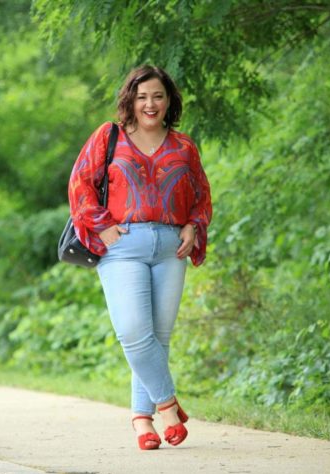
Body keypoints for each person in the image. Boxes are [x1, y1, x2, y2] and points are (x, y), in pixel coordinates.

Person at [68, 65, 212, 450]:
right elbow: (80, 183)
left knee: (157, 337)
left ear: (169, 102)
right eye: (142, 95)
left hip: (169, 249)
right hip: (123, 247)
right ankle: (167, 405)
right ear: (130, 99)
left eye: (158, 96)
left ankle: (141, 421)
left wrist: (193, 225)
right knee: (133, 330)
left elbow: (201, 194)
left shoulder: (183, 146)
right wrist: (100, 225)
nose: (150, 103)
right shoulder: (109, 136)